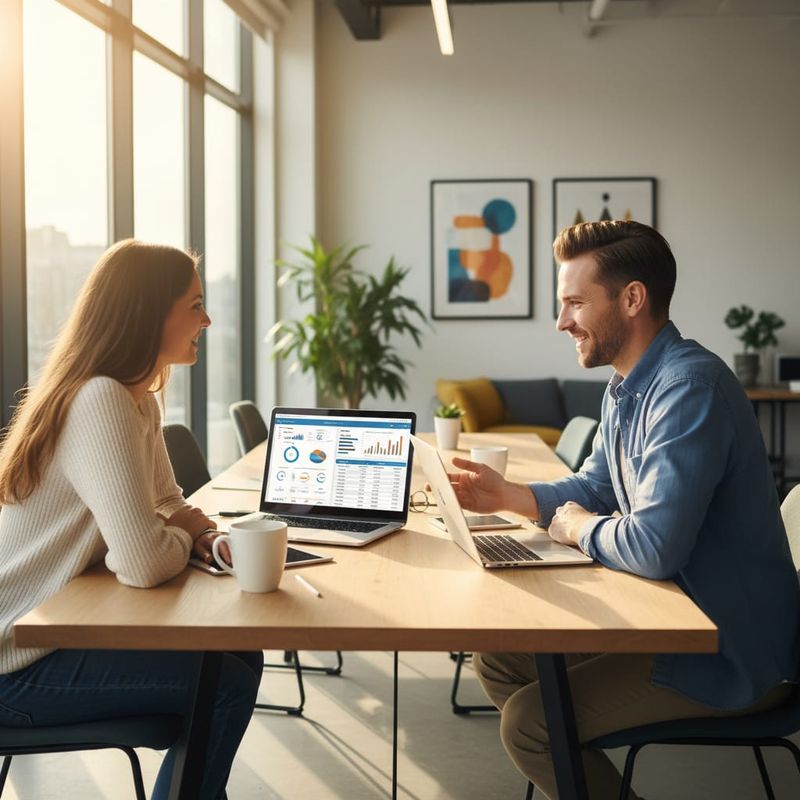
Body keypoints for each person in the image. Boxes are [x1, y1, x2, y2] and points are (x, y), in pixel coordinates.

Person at [449, 220, 800, 800]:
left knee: (529, 726)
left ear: (632, 298)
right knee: (500, 661)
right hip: (668, 617)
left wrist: (582, 529)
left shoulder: (690, 388)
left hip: (726, 645)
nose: (561, 322)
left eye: (574, 303)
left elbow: (654, 548)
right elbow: (596, 485)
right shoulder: (626, 386)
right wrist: (508, 498)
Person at [0, 239, 263, 800]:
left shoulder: (137, 398)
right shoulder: (101, 400)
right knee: (225, 684)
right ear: (150, 312)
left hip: (43, 641)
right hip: (11, 669)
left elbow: (168, 503)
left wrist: (208, 537)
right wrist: (178, 535)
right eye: (194, 305)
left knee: (239, 652)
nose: (208, 319)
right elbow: (143, 563)